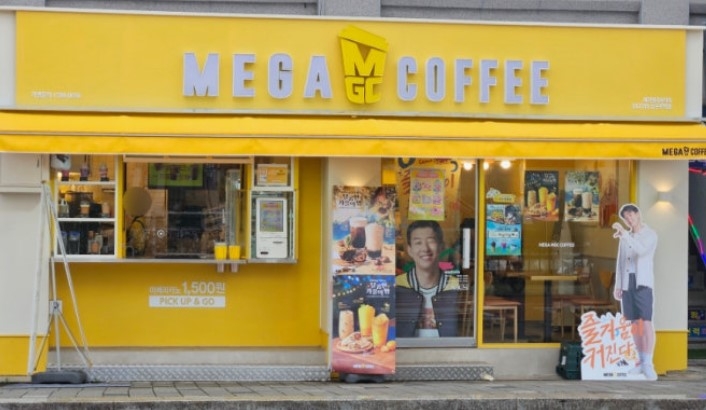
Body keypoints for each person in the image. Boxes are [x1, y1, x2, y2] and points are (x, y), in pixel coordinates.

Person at [612, 203, 658, 381]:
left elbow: (642, 250)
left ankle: (648, 363)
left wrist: (624, 235)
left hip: (642, 282)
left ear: (638, 214)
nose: (629, 219)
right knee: (634, 324)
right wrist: (618, 285)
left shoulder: (650, 234)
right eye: (626, 217)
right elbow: (621, 261)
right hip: (627, 282)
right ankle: (640, 361)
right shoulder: (626, 236)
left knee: (645, 322)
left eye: (631, 215)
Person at [396, 220, 461, 337]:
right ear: (409, 250)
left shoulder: (456, 286)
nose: (425, 248)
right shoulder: (397, 285)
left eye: (431, 241)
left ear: (441, 247)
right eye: (418, 243)